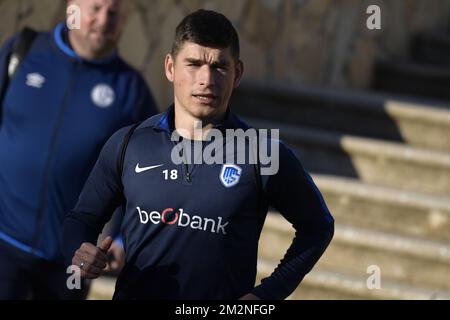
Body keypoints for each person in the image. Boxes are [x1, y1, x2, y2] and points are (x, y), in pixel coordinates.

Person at [63, 9, 334, 300]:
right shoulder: (128, 143)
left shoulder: (262, 154)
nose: (206, 79)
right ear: (170, 67)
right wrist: (80, 252)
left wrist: (265, 296)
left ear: (238, 73)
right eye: (193, 64)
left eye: (219, 67)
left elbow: (317, 228)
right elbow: (82, 219)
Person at [0, 0, 157, 299]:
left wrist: (124, 237)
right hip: (3, 243)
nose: (104, 19)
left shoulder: (131, 90)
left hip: (72, 263)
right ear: (72, 8)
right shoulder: (22, 52)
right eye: (95, 8)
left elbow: (147, 178)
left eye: (114, 13)